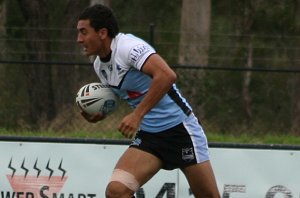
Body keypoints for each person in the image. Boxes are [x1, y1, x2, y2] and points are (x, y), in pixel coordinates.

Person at [76, 4, 220, 198]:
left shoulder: (128, 47)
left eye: (84, 32)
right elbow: (123, 95)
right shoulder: (99, 65)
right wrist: (100, 114)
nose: (79, 39)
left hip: (181, 130)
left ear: (102, 32)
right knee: (116, 191)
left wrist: (137, 115)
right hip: (150, 136)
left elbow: (167, 75)